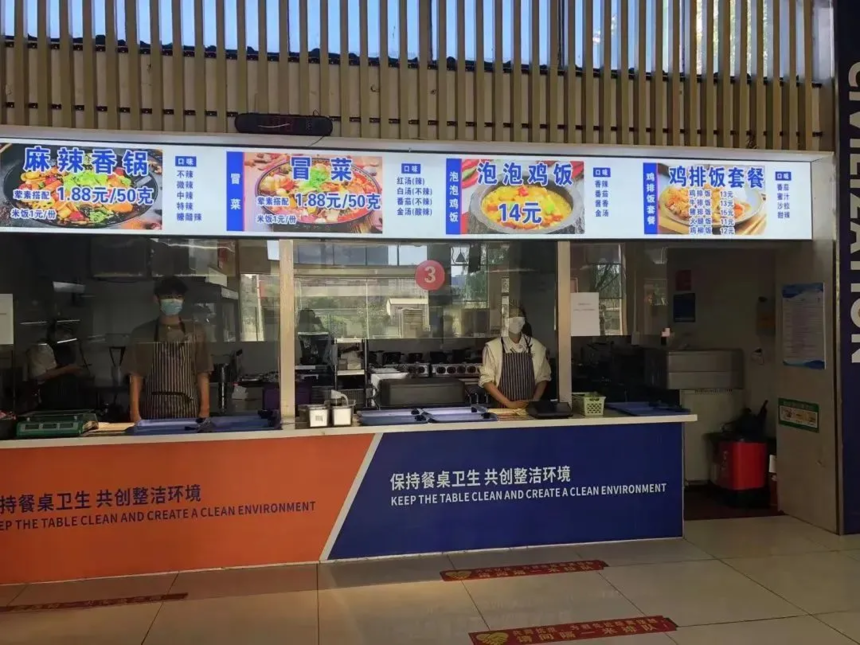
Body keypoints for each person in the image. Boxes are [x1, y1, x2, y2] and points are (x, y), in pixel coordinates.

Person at [122, 277, 213, 421]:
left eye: (178, 296)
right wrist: (134, 413)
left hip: (188, 411)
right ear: (156, 299)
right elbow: (136, 376)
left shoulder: (196, 332)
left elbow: (202, 373)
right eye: (168, 296)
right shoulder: (141, 334)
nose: (173, 300)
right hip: (153, 411)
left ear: (183, 300)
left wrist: (205, 410)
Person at [479, 306, 551, 409]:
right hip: (502, 409)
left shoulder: (537, 346)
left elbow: (543, 378)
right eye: (511, 316)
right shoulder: (493, 347)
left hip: (529, 409)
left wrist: (534, 402)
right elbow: (486, 381)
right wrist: (510, 404)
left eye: (519, 315)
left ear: (524, 320)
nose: (516, 319)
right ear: (504, 321)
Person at [26, 320, 85, 410]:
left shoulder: (67, 348)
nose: (67, 336)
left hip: (70, 395)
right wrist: (66, 369)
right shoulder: (41, 348)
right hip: (52, 397)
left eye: (69, 333)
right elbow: (39, 376)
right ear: (53, 333)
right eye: (63, 332)